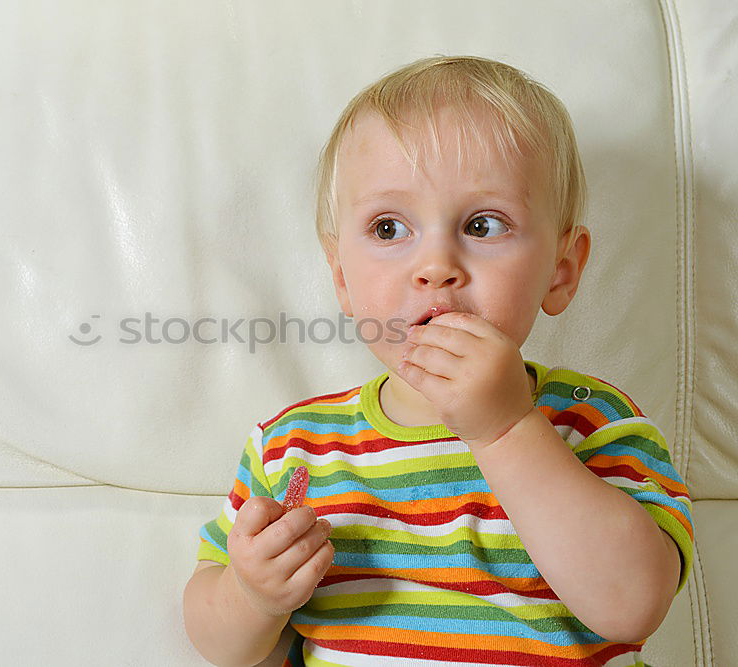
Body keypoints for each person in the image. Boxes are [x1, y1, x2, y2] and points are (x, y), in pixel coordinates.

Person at [182, 55, 694, 667]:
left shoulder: (592, 422)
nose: (436, 266)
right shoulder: (292, 447)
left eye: (483, 224)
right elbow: (216, 643)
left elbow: (633, 605)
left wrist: (505, 428)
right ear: (342, 278)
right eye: (390, 228)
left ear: (561, 272)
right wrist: (251, 595)